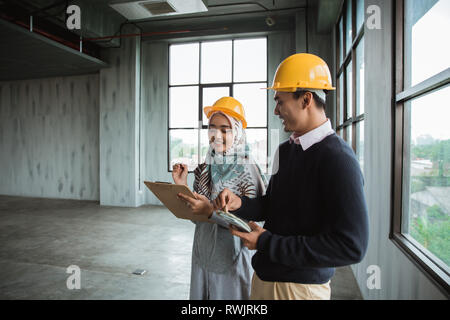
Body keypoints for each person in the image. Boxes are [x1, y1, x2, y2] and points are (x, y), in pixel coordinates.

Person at [213, 53, 369, 300]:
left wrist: (266, 243)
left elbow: (351, 246)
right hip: (265, 278)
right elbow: (272, 205)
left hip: (300, 290)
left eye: (280, 101)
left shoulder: (338, 159)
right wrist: (239, 203)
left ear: (306, 99)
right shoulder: (286, 151)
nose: (275, 110)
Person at [172, 96, 268, 300]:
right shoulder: (206, 167)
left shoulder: (247, 169)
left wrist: (211, 213)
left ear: (238, 132)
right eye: (212, 128)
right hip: (203, 255)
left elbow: (252, 224)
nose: (217, 135)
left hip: (232, 260)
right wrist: (182, 186)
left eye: (225, 129)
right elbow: (196, 218)